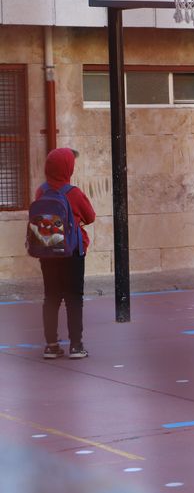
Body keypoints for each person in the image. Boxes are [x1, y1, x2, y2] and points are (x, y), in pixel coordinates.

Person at [35, 148, 96, 360]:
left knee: (51, 297)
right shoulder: (74, 193)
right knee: (74, 298)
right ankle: (76, 346)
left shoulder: (41, 191)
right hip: (72, 252)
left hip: (48, 250)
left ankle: (51, 345)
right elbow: (90, 216)